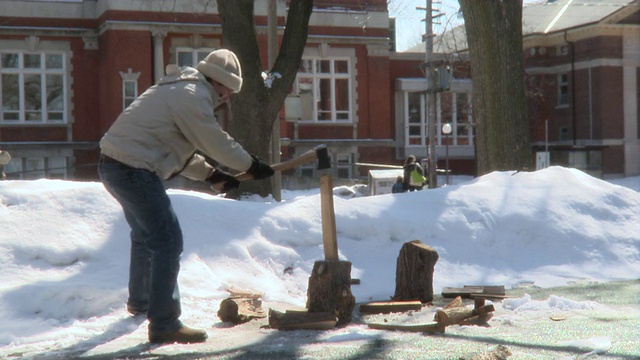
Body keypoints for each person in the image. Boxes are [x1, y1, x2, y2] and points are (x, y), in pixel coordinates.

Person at [98, 49, 274, 344]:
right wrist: (250, 164)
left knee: (145, 236)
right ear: (216, 81)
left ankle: (142, 301)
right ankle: (165, 323)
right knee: (167, 241)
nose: (228, 96)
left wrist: (212, 175)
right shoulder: (193, 95)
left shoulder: (178, 89)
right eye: (228, 89)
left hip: (114, 164)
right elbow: (214, 140)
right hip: (133, 169)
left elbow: (173, 147)